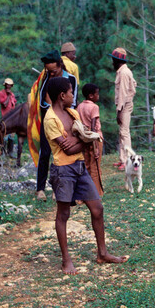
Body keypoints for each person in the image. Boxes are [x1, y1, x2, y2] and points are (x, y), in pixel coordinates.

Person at [43, 77, 126, 274]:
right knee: (63, 214)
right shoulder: (50, 119)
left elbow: (80, 140)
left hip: (80, 167)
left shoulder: (72, 113)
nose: (73, 96)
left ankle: (102, 253)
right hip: (63, 170)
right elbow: (71, 147)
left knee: (97, 208)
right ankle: (66, 260)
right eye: (71, 92)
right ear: (62, 95)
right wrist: (89, 140)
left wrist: (84, 139)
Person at [27, 50, 78, 201]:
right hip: (48, 122)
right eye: (48, 71)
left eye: (54, 71)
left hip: (65, 122)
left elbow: (73, 102)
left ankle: (59, 188)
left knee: (62, 155)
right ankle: (40, 189)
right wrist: (51, 110)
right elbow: (41, 100)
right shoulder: (46, 78)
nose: (52, 74)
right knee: (45, 153)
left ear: (60, 65)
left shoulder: (70, 79)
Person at [109, 47, 136, 171]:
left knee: (124, 133)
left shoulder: (124, 73)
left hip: (124, 105)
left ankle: (128, 160)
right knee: (122, 132)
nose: (112, 62)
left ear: (118, 60)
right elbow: (134, 84)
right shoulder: (123, 71)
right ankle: (122, 159)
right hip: (123, 105)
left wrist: (119, 111)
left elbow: (123, 93)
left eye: (113, 59)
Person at [77, 83, 104, 196]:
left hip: (84, 139)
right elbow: (93, 127)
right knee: (95, 165)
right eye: (97, 94)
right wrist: (96, 146)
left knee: (87, 164)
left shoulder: (79, 107)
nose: (98, 96)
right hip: (94, 139)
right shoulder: (94, 107)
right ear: (91, 95)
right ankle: (96, 192)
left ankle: (85, 192)